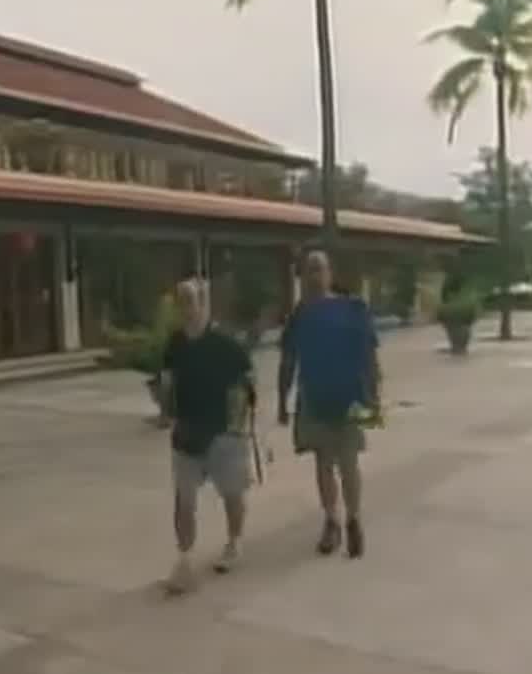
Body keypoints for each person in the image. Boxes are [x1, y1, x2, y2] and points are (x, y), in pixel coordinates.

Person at [278, 251, 382, 559]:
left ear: (329, 273)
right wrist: (282, 400)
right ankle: (332, 520)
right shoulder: (299, 316)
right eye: (308, 270)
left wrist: (375, 397)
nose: (313, 276)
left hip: (352, 396)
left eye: (319, 269)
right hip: (314, 398)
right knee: (323, 462)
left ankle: (354, 519)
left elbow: (369, 355)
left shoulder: (353, 309)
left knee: (349, 462)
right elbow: (288, 361)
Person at [157, 278, 256, 595]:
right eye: (181, 301)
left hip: (223, 433)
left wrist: (240, 422)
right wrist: (165, 408)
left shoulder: (224, 344)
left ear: (203, 304)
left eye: (191, 300)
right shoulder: (175, 343)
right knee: (184, 499)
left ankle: (234, 541)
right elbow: (167, 381)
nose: (186, 308)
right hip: (186, 434)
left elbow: (247, 379)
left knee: (232, 493)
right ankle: (184, 559)